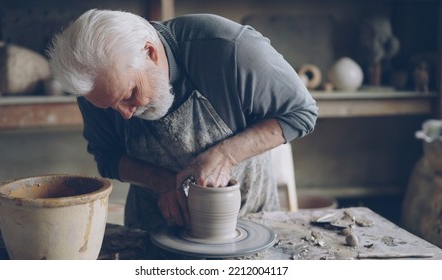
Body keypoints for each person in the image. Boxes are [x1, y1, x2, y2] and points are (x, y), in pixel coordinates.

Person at [47, 9, 318, 231]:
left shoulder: (230, 49)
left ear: (149, 53)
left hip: (249, 222)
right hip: (155, 226)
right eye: (110, 107)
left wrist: (227, 155)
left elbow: (301, 113)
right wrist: (165, 183)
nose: (125, 114)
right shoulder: (94, 88)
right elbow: (107, 157)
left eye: (130, 95)